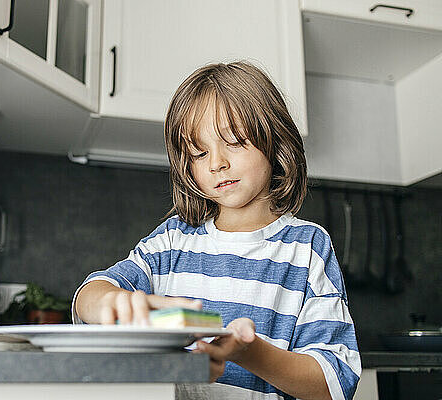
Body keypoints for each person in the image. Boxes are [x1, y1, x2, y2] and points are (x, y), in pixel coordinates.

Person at [72, 61, 360, 400]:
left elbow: (335, 382)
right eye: (199, 152)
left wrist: (248, 352)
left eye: (235, 142)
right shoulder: (172, 240)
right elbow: (89, 296)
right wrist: (111, 302)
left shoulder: (306, 247)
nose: (216, 163)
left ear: (275, 140)